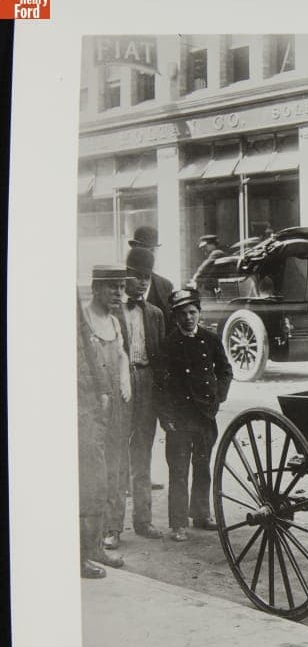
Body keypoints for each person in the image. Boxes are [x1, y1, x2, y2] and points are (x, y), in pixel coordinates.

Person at [159, 288, 233, 541]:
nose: (188, 318)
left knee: (202, 467)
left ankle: (201, 514)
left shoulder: (210, 339)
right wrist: (165, 416)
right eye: (183, 313)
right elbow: (160, 384)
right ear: (176, 317)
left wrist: (218, 396)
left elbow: (225, 370)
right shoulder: (168, 344)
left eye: (192, 312)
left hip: (204, 416)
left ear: (199, 313)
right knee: (178, 470)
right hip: (179, 419)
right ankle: (178, 524)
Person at [111, 246, 167, 543]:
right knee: (119, 452)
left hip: (148, 383)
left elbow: (160, 358)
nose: (143, 282)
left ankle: (143, 521)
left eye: (147, 276)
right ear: (126, 276)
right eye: (137, 276)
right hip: (123, 380)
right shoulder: (114, 311)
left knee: (143, 451)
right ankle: (113, 528)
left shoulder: (156, 314)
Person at [80, 266, 132, 564]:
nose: (118, 293)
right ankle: (89, 547)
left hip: (115, 406)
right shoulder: (83, 320)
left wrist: (124, 381)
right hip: (90, 406)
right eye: (113, 287)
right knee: (93, 476)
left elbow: (122, 355)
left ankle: (105, 536)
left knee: (113, 470)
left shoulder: (113, 320)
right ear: (96, 287)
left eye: (121, 287)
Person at [129, 225, 176, 327]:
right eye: (142, 250)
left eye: (151, 251)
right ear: (133, 250)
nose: (147, 256)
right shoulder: (121, 283)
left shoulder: (165, 286)